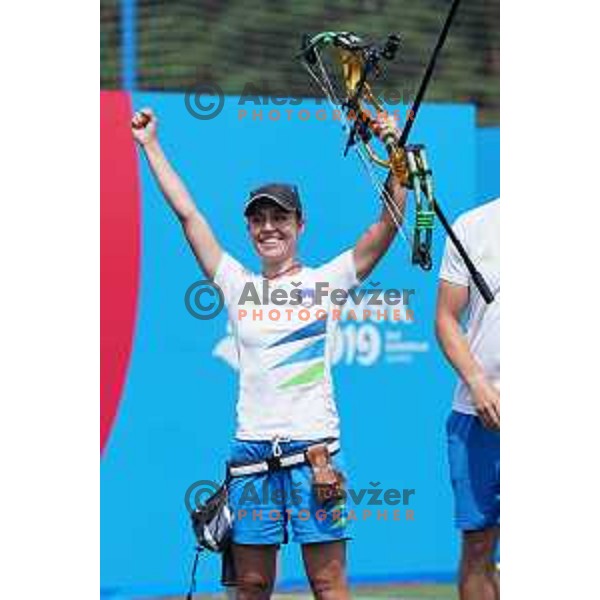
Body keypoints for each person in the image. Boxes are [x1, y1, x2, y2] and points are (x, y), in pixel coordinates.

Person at [131, 108, 406, 600]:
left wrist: (395, 154)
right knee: (253, 586)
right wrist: (150, 144)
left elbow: (388, 223)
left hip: (314, 457)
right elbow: (188, 214)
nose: (268, 227)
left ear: (300, 224)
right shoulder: (238, 285)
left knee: (328, 584)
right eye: (258, 218)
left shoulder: (327, 282)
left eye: (279, 217)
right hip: (252, 459)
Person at [435, 198, 500, 600]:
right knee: (478, 547)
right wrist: (477, 382)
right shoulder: (473, 225)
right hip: (480, 415)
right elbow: (445, 318)